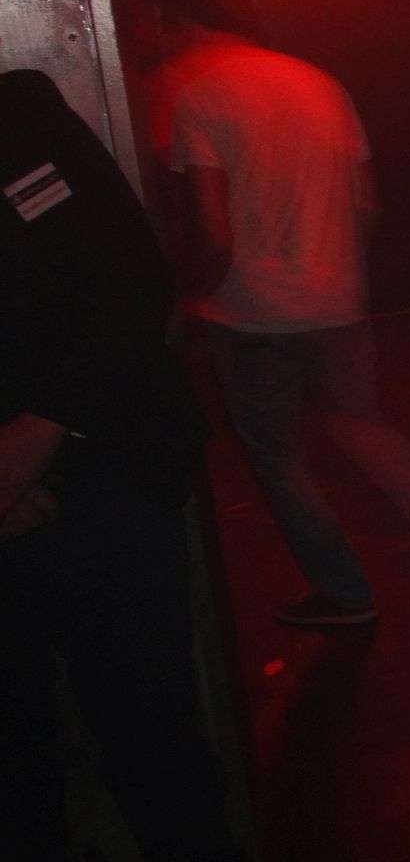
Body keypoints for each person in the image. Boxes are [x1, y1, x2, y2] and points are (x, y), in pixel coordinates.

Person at [158, 0, 410, 626]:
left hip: (252, 309)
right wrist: (336, 273)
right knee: (363, 424)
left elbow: (212, 232)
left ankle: (343, 592)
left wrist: (191, 297)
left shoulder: (196, 94)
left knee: (277, 456)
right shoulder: (319, 82)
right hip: (336, 297)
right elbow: (365, 207)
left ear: (184, 21)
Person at [0, 67, 240, 860]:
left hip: (100, 479)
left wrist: (34, 438)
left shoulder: (17, 122)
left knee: (150, 738)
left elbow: (127, 280)